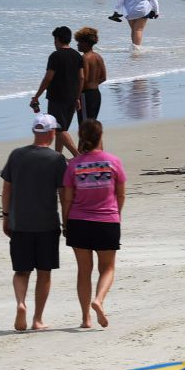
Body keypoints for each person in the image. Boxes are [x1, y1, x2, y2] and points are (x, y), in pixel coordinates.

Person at [1, 114, 69, 331]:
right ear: (52, 133)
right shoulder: (57, 159)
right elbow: (63, 194)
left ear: (34, 132)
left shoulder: (17, 155)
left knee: (21, 271)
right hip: (47, 223)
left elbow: (6, 189)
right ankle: (37, 319)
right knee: (44, 272)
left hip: (20, 223)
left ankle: (21, 303)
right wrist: (66, 221)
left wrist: (5, 216)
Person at [62, 120, 125, 329]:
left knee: (84, 270)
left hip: (79, 221)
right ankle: (98, 299)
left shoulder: (74, 165)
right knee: (107, 267)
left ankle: (85, 318)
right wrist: (116, 214)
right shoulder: (113, 161)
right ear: (101, 136)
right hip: (107, 220)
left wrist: (66, 222)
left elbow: (67, 198)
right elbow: (120, 193)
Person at [30, 26, 83, 157]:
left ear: (57, 39)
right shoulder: (77, 55)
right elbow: (81, 77)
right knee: (61, 128)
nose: (54, 42)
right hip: (71, 97)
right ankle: (58, 156)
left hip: (57, 97)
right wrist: (77, 97)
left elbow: (48, 78)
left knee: (59, 129)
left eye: (54, 39)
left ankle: (78, 157)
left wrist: (36, 96)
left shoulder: (55, 56)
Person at [74, 27, 106, 124]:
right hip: (96, 94)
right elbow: (103, 77)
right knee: (92, 124)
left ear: (85, 43)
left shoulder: (84, 57)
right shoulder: (98, 57)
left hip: (85, 95)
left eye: (79, 42)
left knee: (84, 127)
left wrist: (77, 97)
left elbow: (84, 78)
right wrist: (94, 84)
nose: (77, 44)